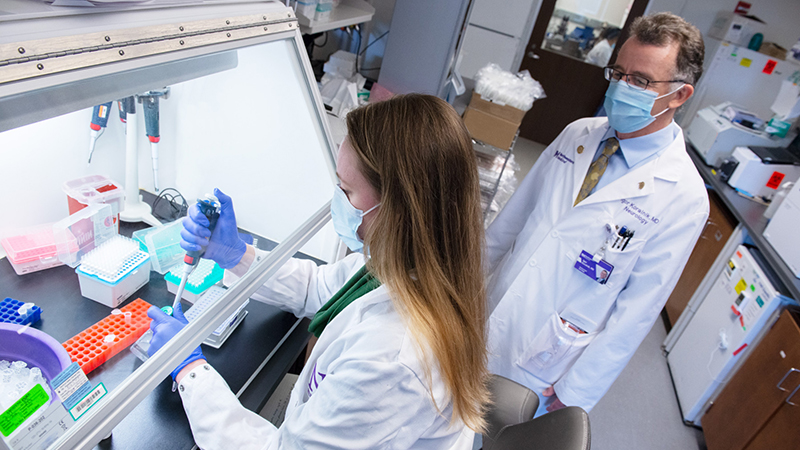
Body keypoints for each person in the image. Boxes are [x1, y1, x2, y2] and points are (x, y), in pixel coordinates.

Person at [147, 94, 490, 449]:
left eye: (347, 190)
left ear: (400, 210)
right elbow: (320, 288)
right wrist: (235, 254)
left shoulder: (391, 359)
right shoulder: (412, 262)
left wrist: (189, 370)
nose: (337, 201)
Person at [485, 12, 709, 416]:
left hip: (547, 357)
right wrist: (455, 288)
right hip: (494, 306)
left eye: (640, 81)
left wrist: (576, 393)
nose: (622, 87)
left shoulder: (684, 196)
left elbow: (637, 311)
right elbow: (508, 225)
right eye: (619, 73)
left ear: (679, 95)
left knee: (499, 435)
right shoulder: (578, 133)